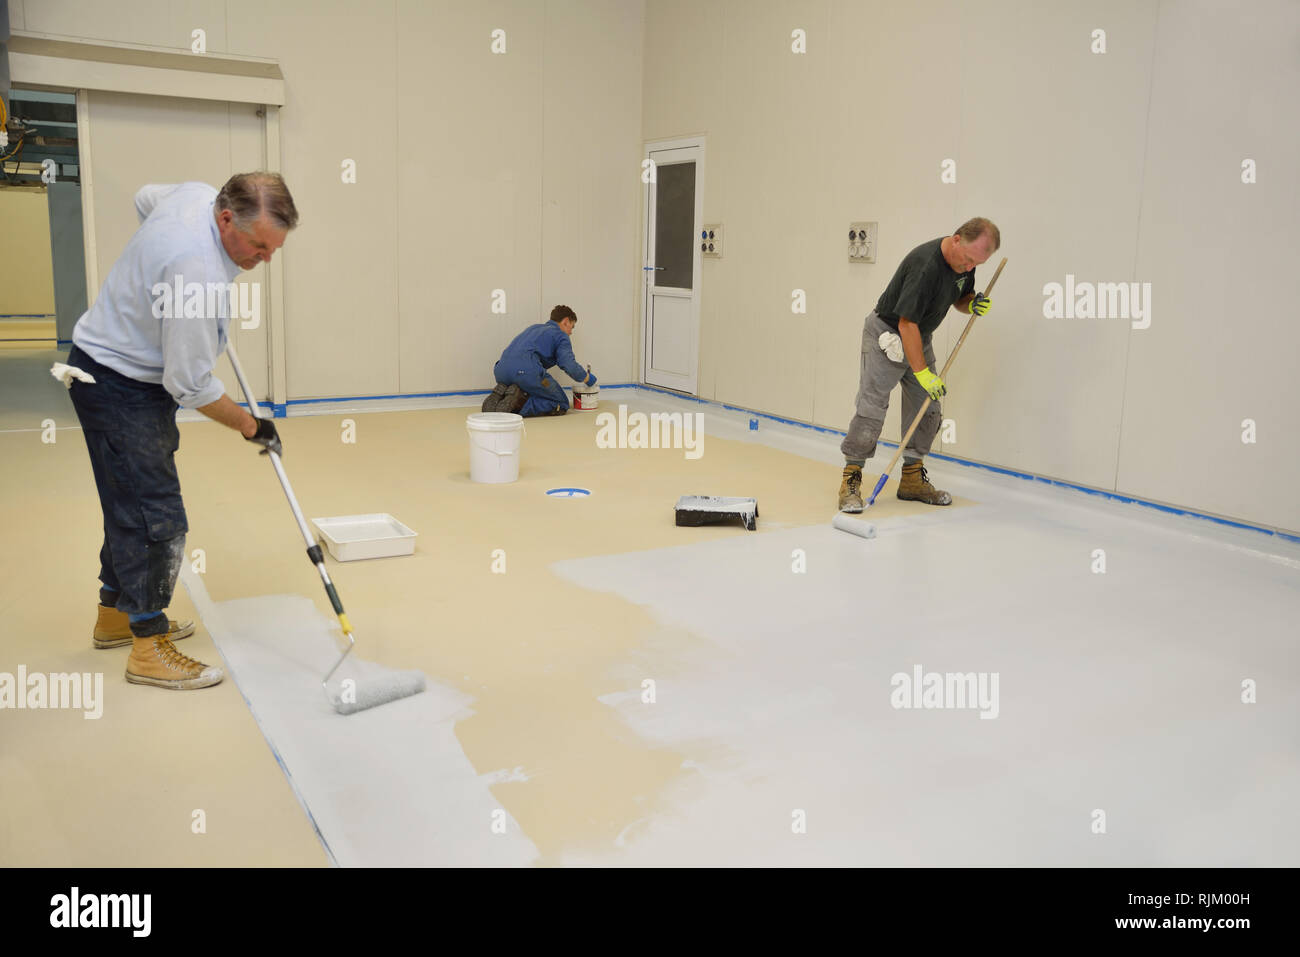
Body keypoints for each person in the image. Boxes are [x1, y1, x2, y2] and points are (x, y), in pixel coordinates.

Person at [64, 172, 298, 690]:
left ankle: (115, 617)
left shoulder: (195, 195)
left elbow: (143, 197)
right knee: (156, 517)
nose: (264, 260)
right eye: (258, 247)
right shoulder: (196, 275)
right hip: (120, 384)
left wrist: (158, 264)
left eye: (273, 249)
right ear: (225, 218)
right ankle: (148, 648)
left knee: (128, 501)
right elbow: (189, 385)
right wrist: (251, 426)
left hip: (111, 370)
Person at [838, 217, 1000, 512]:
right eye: (967, 259)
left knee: (928, 407)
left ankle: (912, 479)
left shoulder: (966, 263)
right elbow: (906, 323)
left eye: (977, 264)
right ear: (956, 239)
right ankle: (851, 478)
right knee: (872, 408)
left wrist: (971, 304)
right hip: (888, 334)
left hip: (919, 336)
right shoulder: (925, 266)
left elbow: (960, 296)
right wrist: (923, 373)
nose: (969, 267)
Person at [482, 304, 597, 416]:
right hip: (526, 373)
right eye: (572, 327)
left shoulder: (534, 328)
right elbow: (568, 364)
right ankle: (517, 404)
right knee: (560, 403)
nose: (571, 332)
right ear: (566, 321)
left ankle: (502, 396)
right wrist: (587, 378)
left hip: (501, 372)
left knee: (535, 387)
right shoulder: (561, 335)